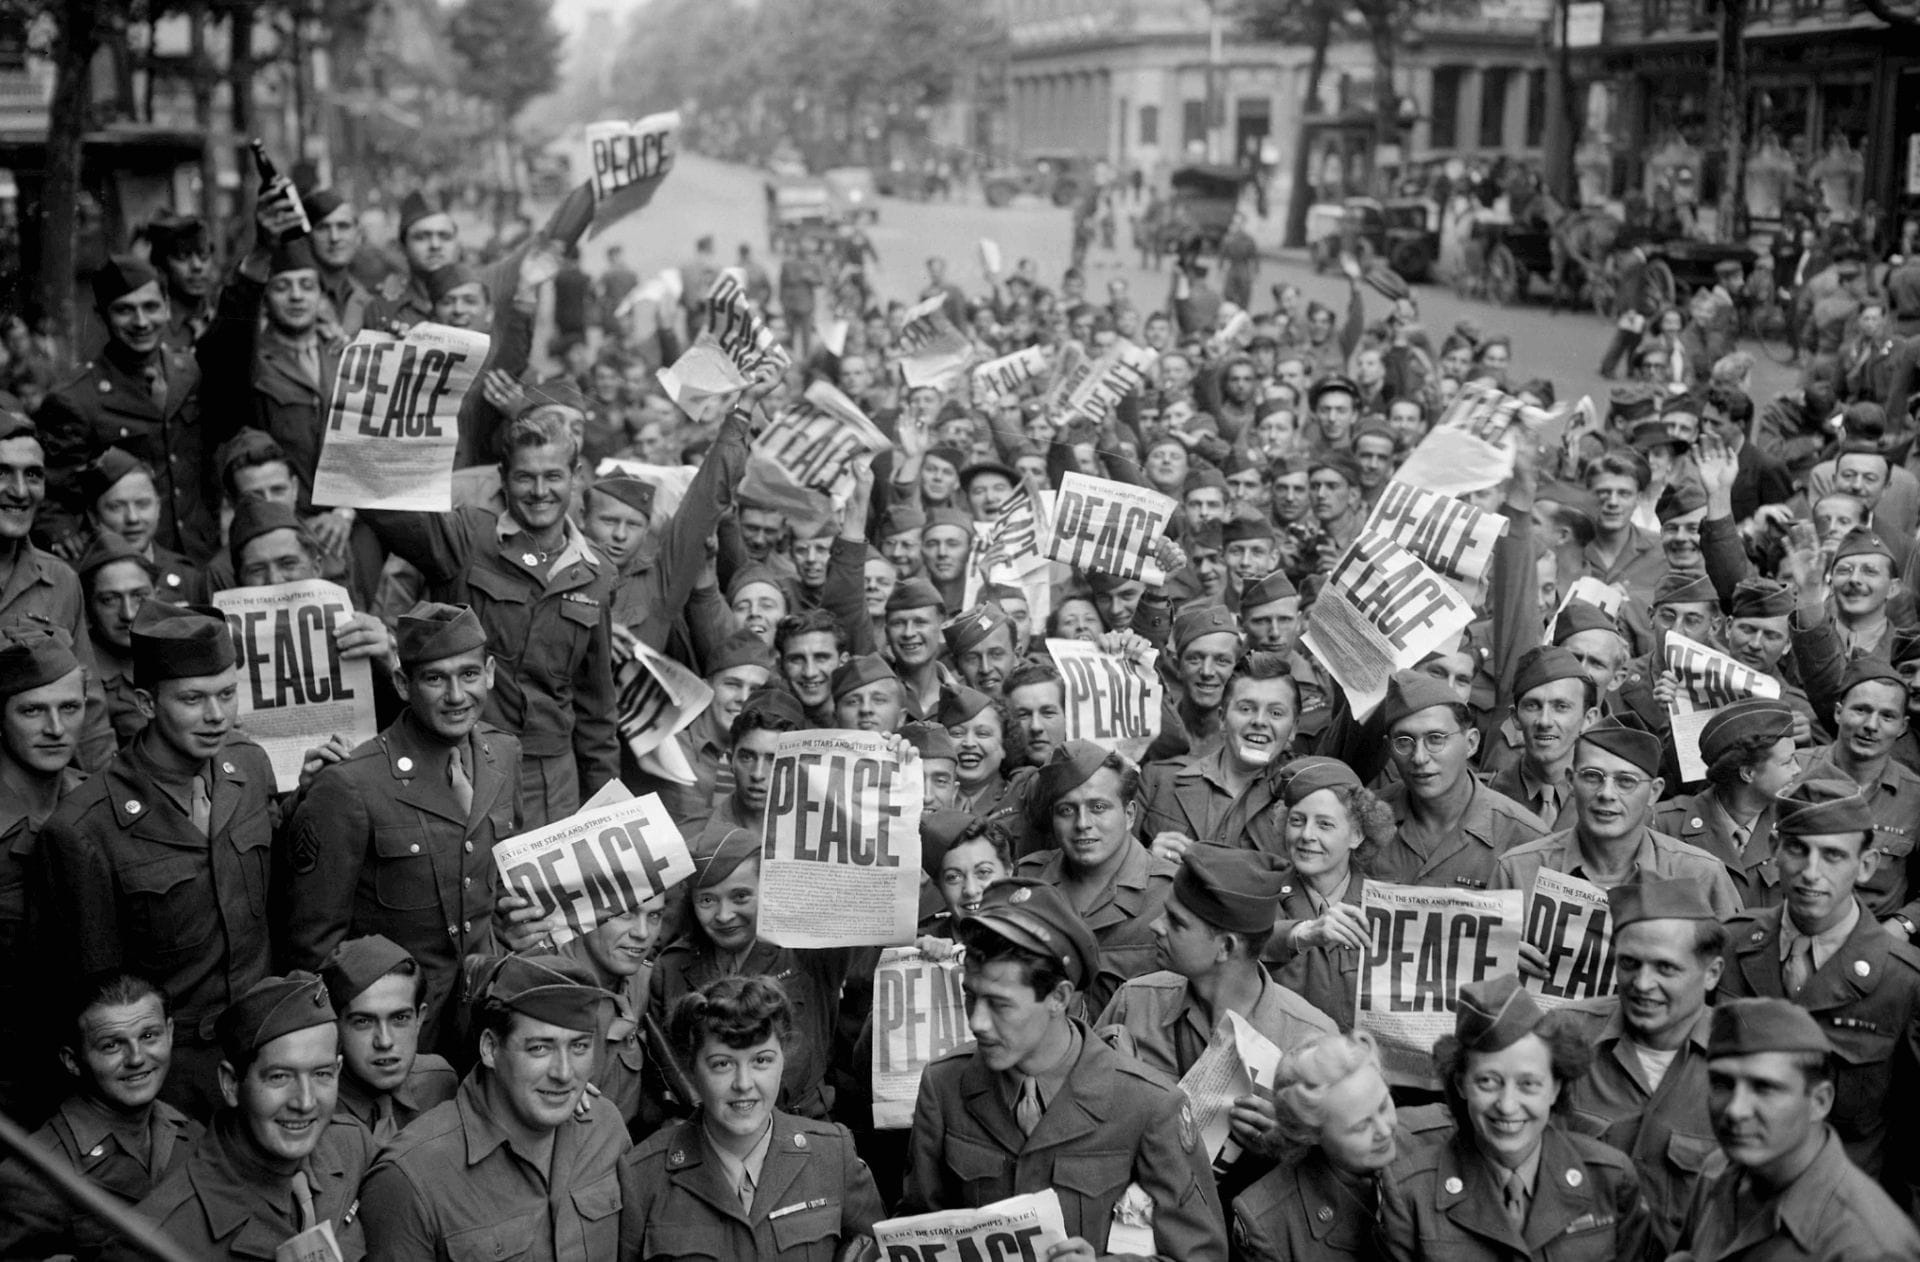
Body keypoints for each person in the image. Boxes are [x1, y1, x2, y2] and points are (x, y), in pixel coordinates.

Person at [899, 877, 1228, 1261]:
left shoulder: (1147, 1105)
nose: (978, 1022)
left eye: (1000, 1005)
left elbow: (1202, 1255)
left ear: (1058, 998)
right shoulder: (944, 1086)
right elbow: (917, 1225)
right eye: (970, 996)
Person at [40, 600, 278, 1116]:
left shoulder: (251, 768)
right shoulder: (85, 829)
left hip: (266, 1056)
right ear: (147, 703)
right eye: (192, 699)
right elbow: (97, 999)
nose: (216, 716)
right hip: (171, 1086)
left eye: (227, 695)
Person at [363, 407, 622, 828]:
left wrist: (606, 808)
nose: (540, 491)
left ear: (575, 477)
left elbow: (597, 709)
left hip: (552, 784)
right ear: (503, 477)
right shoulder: (465, 537)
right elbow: (383, 505)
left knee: (538, 896)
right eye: (525, 477)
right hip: (462, 763)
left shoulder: (597, 573)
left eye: (553, 476)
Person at [283, 602, 522, 1051]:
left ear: (489, 672)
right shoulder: (352, 783)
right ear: (402, 683)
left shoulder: (503, 754)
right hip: (394, 1035)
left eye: (469, 675)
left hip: (484, 1016)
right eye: (435, 678)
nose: (456, 695)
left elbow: (502, 876)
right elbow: (313, 947)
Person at [1714, 778, 1920, 1201]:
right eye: (1797, 849)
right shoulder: (1733, 946)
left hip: (1840, 1213)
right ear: (1774, 847)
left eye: (1832, 855)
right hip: (1733, 1197)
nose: (1811, 873)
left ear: (1865, 865)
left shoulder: (1903, 982)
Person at [359, 954, 629, 1262]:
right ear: (490, 1048)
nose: (564, 1073)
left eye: (579, 1047)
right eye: (540, 1048)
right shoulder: (410, 1178)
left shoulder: (605, 1127)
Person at [1376, 974, 1653, 1262]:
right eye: (1487, 1081)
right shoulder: (1411, 1193)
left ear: (1555, 1087)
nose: (1507, 1106)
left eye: (1528, 1084)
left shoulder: (1609, 1178)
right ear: (1460, 1084)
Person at [617, 975, 885, 1259]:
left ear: (784, 1058)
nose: (743, 1083)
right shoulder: (643, 1176)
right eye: (722, 1064)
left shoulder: (832, 1156)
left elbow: (878, 1249)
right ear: (692, 1069)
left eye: (762, 1060)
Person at [116, 972, 374, 1262]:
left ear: (338, 1071)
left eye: (321, 1074)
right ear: (231, 1084)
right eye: (279, 1076)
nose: (305, 1101)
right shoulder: (160, 1238)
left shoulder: (352, 1146)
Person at [1669, 997, 1920, 1261]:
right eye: (1722, 1083)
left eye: (1764, 1088)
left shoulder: (1866, 1245)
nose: (1735, 1110)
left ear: (1819, 1102)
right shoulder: (1717, 1171)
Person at [1561, 879, 1727, 1249]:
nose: (1642, 983)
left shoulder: (1744, 1060)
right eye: (1629, 964)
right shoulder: (1564, 1037)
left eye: (1666, 968)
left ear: (1712, 973)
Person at [648, 830, 853, 1121]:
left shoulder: (808, 950)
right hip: (708, 1130)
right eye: (707, 900)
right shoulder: (671, 967)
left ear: (768, 889)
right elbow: (667, 1066)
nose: (724, 915)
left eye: (740, 896)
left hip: (802, 1127)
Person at [0, 973, 199, 1259]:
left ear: (169, 1033)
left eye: (148, 1036)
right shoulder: (34, 1176)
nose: (136, 1058)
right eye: (111, 1045)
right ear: (72, 1061)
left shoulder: (191, 1133)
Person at [37, 257, 215, 560]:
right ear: (102, 316)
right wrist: (63, 533)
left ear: (168, 307)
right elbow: (51, 497)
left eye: (151, 307)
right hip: (127, 567)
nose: (141, 322)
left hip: (198, 557)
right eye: (124, 310)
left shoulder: (192, 372)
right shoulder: (75, 399)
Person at [1494, 717, 1743, 931]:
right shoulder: (1519, 870)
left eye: (1626, 781)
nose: (1607, 793)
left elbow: (1728, 974)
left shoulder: (1699, 875)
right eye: (1592, 777)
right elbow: (1480, 975)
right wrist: (1507, 956)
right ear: (1570, 781)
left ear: (1654, 792)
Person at [0, 624, 88, 1118]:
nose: (56, 729)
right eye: (32, 710)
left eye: (69, 708)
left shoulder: (96, 805)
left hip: (87, 1075)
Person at [1230, 1032, 1419, 1262]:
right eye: (1361, 1126)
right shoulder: (1269, 1225)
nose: (1385, 1130)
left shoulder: (1439, 1136)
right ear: (1311, 1134)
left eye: (1383, 1106)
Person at [1016, 741, 1175, 1014]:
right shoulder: (1026, 882)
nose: (1082, 824)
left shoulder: (1171, 894)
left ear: (1129, 814)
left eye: (1098, 807)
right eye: (1066, 810)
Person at [1652, 698, 1798, 907]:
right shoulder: (1664, 825)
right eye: (1787, 762)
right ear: (1748, 773)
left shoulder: (1792, 825)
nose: (1797, 770)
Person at [319, 934, 458, 1145]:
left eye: (400, 1018)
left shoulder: (437, 1084)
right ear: (335, 1027)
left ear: (419, 1019)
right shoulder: (315, 1110)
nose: (384, 1041)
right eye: (363, 1021)